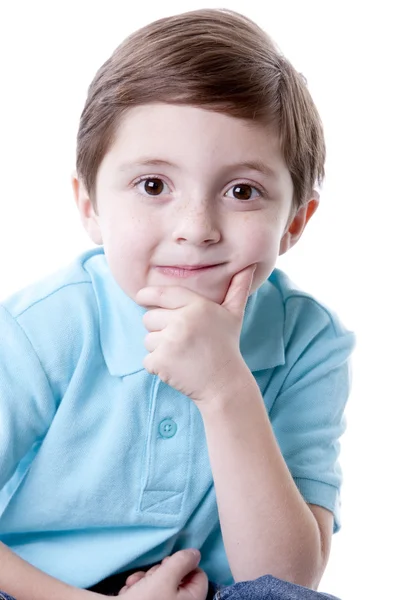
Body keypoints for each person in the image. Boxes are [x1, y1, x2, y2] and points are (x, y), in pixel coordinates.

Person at [0, 8, 355, 600]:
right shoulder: (41, 331)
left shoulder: (309, 340)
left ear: (295, 220)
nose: (196, 228)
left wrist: (225, 387)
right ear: (89, 205)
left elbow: (286, 579)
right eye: (153, 185)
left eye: (242, 191)